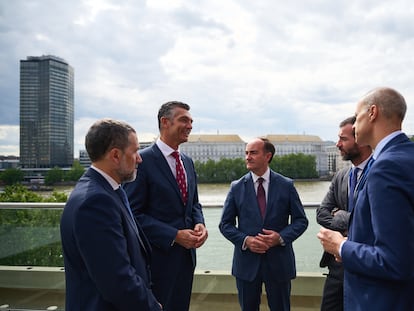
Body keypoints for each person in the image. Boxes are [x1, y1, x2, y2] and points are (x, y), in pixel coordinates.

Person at [317, 87, 414, 310]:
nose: (355, 123)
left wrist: (341, 246)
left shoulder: (385, 167)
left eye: (358, 116)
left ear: (372, 113)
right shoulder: (405, 157)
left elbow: (394, 260)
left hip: (380, 300)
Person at [60, 118, 162, 311]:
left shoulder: (106, 190)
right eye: (135, 151)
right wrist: (152, 307)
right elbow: (116, 279)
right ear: (115, 155)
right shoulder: (96, 202)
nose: (139, 158)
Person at [125, 101, 208, 311]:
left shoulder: (187, 162)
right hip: (157, 262)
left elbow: (194, 204)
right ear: (165, 122)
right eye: (184, 120)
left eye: (191, 121)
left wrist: (200, 225)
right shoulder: (142, 161)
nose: (190, 126)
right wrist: (174, 235)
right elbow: (132, 214)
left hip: (186, 260)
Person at [219, 137, 308, 311]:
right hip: (246, 265)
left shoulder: (286, 185)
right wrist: (246, 241)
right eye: (246, 153)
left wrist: (280, 238)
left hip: (279, 263)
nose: (247, 157)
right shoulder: (236, 187)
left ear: (267, 156)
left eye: (253, 152)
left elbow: (301, 221)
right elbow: (225, 225)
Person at [316, 116, 372, 311]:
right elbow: (321, 213)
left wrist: (342, 217)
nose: (338, 144)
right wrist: (352, 225)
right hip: (337, 267)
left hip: (367, 265)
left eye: (343, 139)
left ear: (360, 139)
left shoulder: (379, 174)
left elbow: (376, 221)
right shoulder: (341, 176)